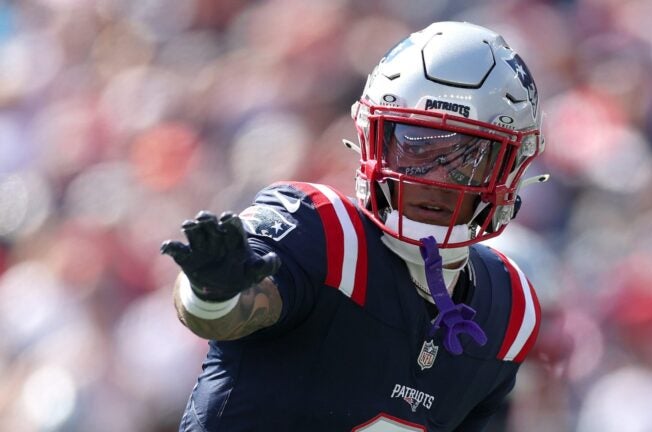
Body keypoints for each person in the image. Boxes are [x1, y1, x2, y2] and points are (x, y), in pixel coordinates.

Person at [162, 21, 546, 432]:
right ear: (373, 140)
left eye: (468, 160)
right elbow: (226, 311)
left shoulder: (510, 308)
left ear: (510, 166)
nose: (436, 180)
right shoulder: (323, 231)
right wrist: (214, 291)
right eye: (415, 147)